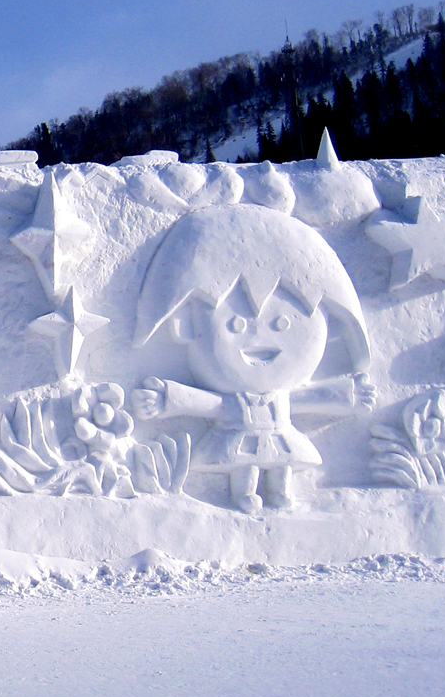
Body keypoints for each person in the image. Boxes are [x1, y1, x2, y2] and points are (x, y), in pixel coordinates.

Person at [129, 204, 376, 512]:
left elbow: (311, 397)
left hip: (281, 437)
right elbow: (206, 404)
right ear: (185, 325)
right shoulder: (234, 402)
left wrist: (348, 394)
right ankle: (244, 493)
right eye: (236, 325)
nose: (260, 337)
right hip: (238, 438)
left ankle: (279, 491)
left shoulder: (278, 397)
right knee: (244, 465)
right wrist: (167, 398)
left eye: (282, 324)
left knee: (282, 462)